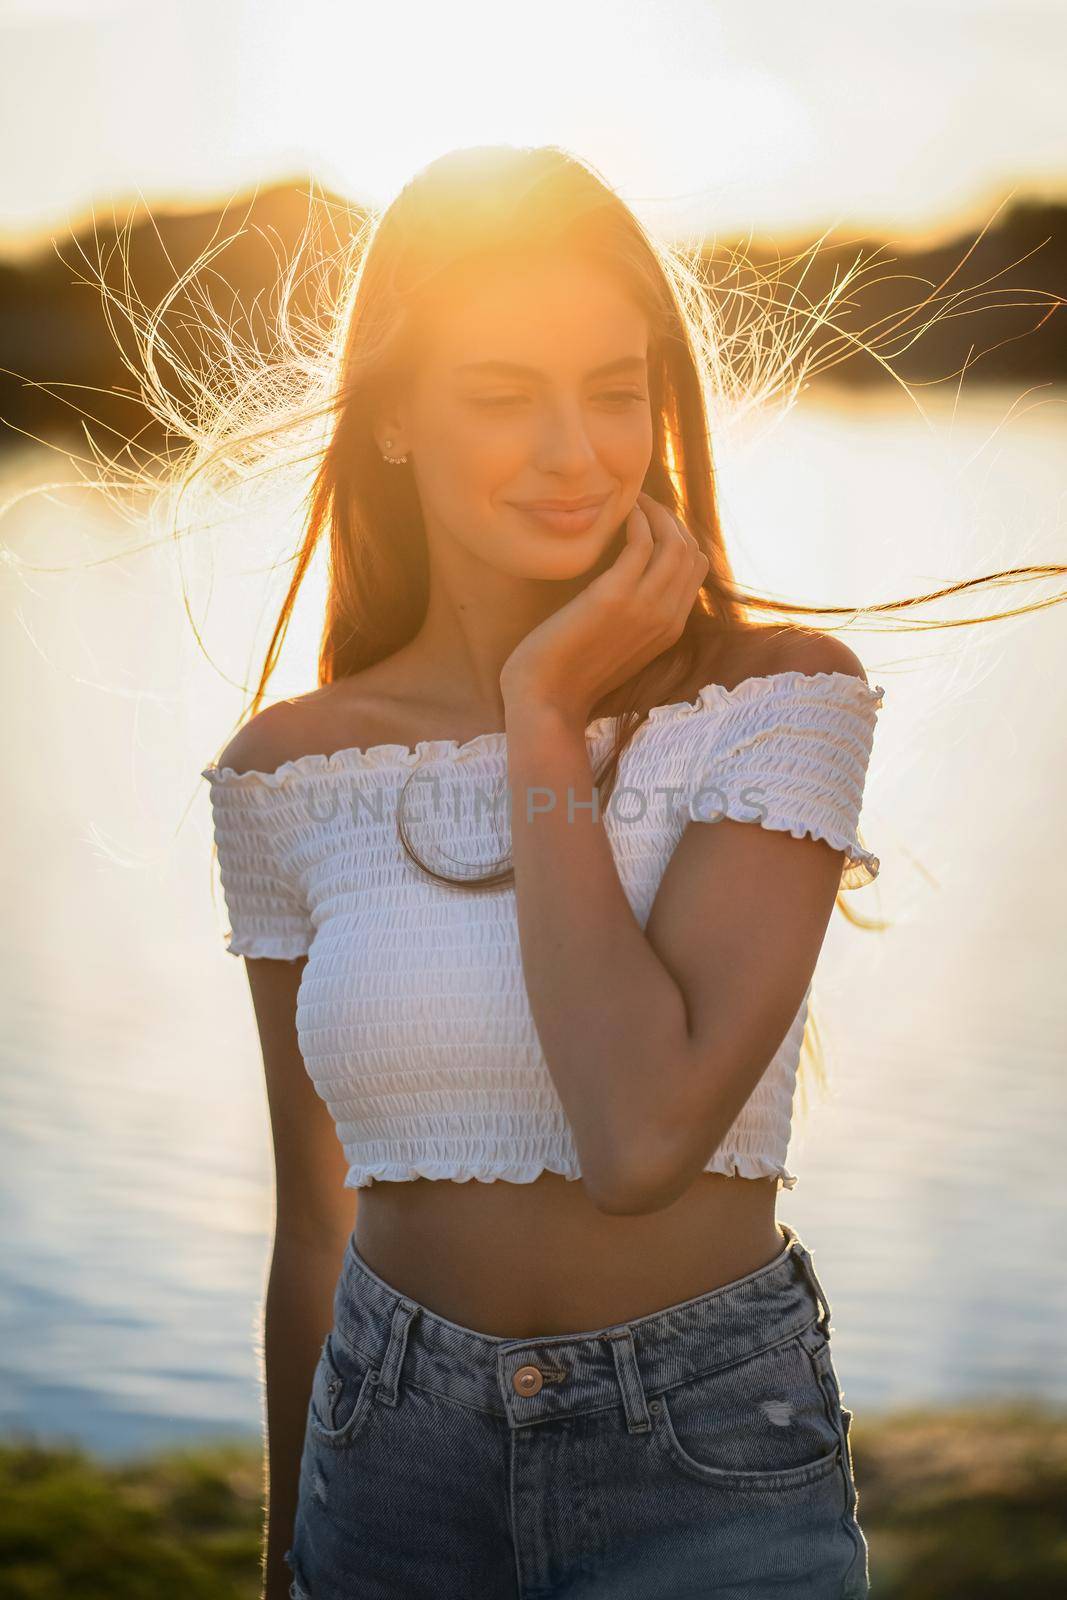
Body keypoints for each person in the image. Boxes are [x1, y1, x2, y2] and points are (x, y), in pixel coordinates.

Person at [201, 146, 884, 1599]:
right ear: (391, 419)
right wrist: (282, 1568)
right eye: (503, 397)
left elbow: (641, 1138)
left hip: (703, 1459)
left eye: (616, 389)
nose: (575, 451)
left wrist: (542, 713)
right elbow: (315, 1220)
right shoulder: (286, 771)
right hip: (383, 1464)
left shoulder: (782, 704)